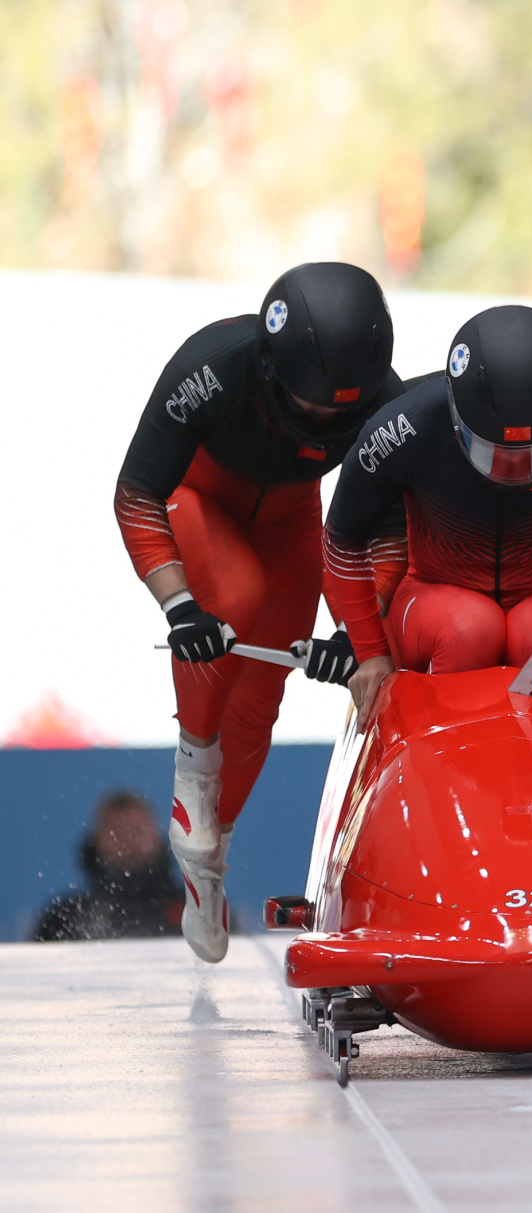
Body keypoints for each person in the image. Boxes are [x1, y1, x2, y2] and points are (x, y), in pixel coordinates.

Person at [115, 262, 413, 965]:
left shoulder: (386, 402)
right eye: (314, 406)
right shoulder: (211, 369)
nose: (328, 420)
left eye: (345, 409)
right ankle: (193, 766)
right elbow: (136, 495)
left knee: (259, 702)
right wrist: (179, 603)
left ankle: (207, 854)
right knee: (236, 597)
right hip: (201, 501)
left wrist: (357, 631)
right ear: (272, 373)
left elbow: (394, 529)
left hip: (291, 519)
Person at [324, 305, 532, 730]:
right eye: (492, 451)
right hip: (436, 593)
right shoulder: (402, 428)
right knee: (469, 630)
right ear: (455, 418)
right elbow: (342, 537)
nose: (513, 469)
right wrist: (370, 654)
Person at [32, 790, 185, 941]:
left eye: (137, 830)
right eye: (116, 833)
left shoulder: (195, 910)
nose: (127, 842)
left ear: (157, 837)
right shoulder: (66, 918)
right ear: (96, 841)